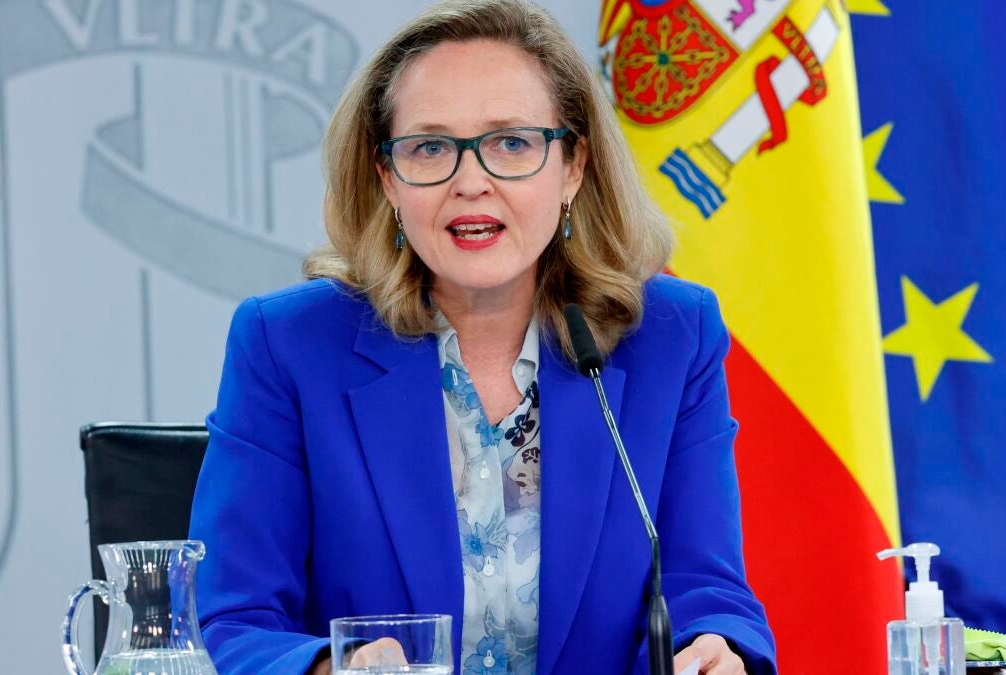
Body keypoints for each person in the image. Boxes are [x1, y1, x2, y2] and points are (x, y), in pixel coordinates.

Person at [188, 1, 776, 673]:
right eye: (430, 147)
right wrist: (327, 668)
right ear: (388, 179)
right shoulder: (290, 345)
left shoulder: (670, 337)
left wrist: (713, 650)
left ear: (573, 166)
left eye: (512, 144)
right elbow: (230, 620)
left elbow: (705, 589)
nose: (471, 182)